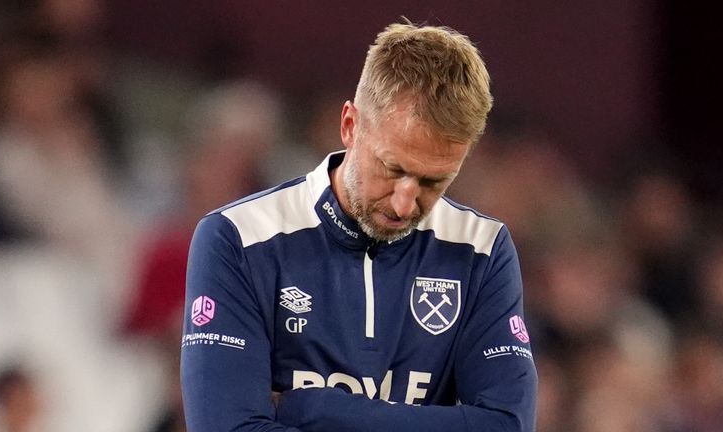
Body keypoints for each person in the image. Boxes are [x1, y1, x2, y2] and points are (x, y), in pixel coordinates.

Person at [181, 21, 537, 431]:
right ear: (350, 125)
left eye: (433, 181)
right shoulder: (238, 238)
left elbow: (507, 426)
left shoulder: (481, 249)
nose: (406, 203)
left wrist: (316, 411)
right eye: (393, 168)